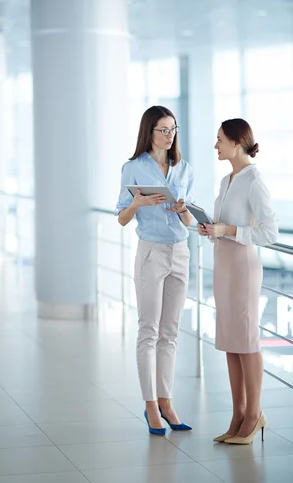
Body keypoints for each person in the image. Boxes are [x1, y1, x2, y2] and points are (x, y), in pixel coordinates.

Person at [198, 118, 278, 445]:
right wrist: (212, 229)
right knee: (231, 341)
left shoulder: (254, 181)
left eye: (219, 140)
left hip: (244, 269)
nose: (215, 145)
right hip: (224, 266)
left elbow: (270, 232)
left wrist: (228, 231)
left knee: (247, 340)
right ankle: (238, 414)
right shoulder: (226, 180)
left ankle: (255, 414)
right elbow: (225, 224)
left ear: (235, 142)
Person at [116, 105, 194, 435]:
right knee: (148, 330)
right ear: (149, 132)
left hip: (180, 252)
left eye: (173, 129)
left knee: (170, 333)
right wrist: (137, 203)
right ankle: (150, 406)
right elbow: (121, 217)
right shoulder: (133, 168)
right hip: (150, 252)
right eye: (163, 129)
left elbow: (189, 220)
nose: (169, 135)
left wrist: (183, 209)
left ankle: (166, 401)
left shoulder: (184, 168)